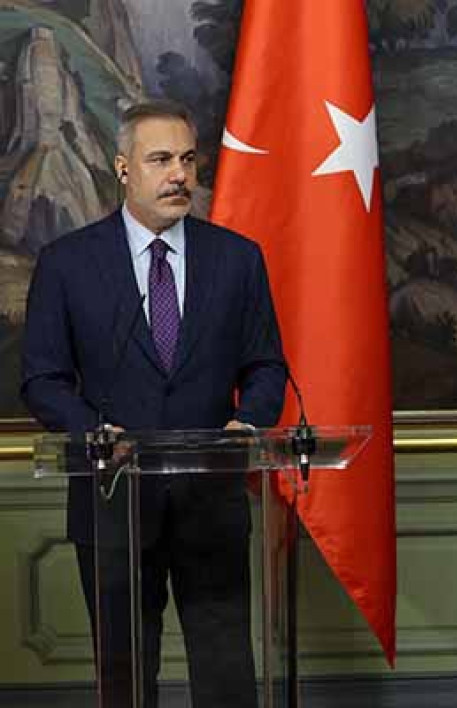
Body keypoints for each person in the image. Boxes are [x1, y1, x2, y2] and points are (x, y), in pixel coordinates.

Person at [21, 100, 286, 707]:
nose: (179, 176)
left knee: (226, 678)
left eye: (188, 160)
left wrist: (248, 422)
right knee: (126, 680)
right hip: (114, 504)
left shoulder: (237, 258)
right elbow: (42, 379)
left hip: (211, 503)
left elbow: (266, 366)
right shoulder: (67, 264)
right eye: (161, 160)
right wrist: (96, 430)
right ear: (123, 168)